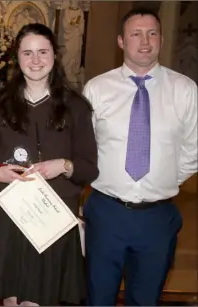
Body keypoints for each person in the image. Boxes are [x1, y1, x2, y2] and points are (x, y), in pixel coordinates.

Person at [0, 23, 99, 306]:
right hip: (8, 215)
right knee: (12, 300)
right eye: (28, 53)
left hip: (52, 218)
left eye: (43, 52)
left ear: (55, 55)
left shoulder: (75, 106)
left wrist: (63, 165)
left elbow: (89, 167)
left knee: (39, 301)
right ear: (17, 57)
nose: (36, 60)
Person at [82, 8, 197, 306]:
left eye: (152, 33)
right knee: (98, 299)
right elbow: (85, 148)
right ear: (121, 41)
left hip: (157, 219)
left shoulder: (184, 90)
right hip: (107, 214)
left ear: (160, 38)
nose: (145, 41)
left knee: (146, 300)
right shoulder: (97, 89)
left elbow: (193, 150)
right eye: (136, 33)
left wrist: (162, 178)